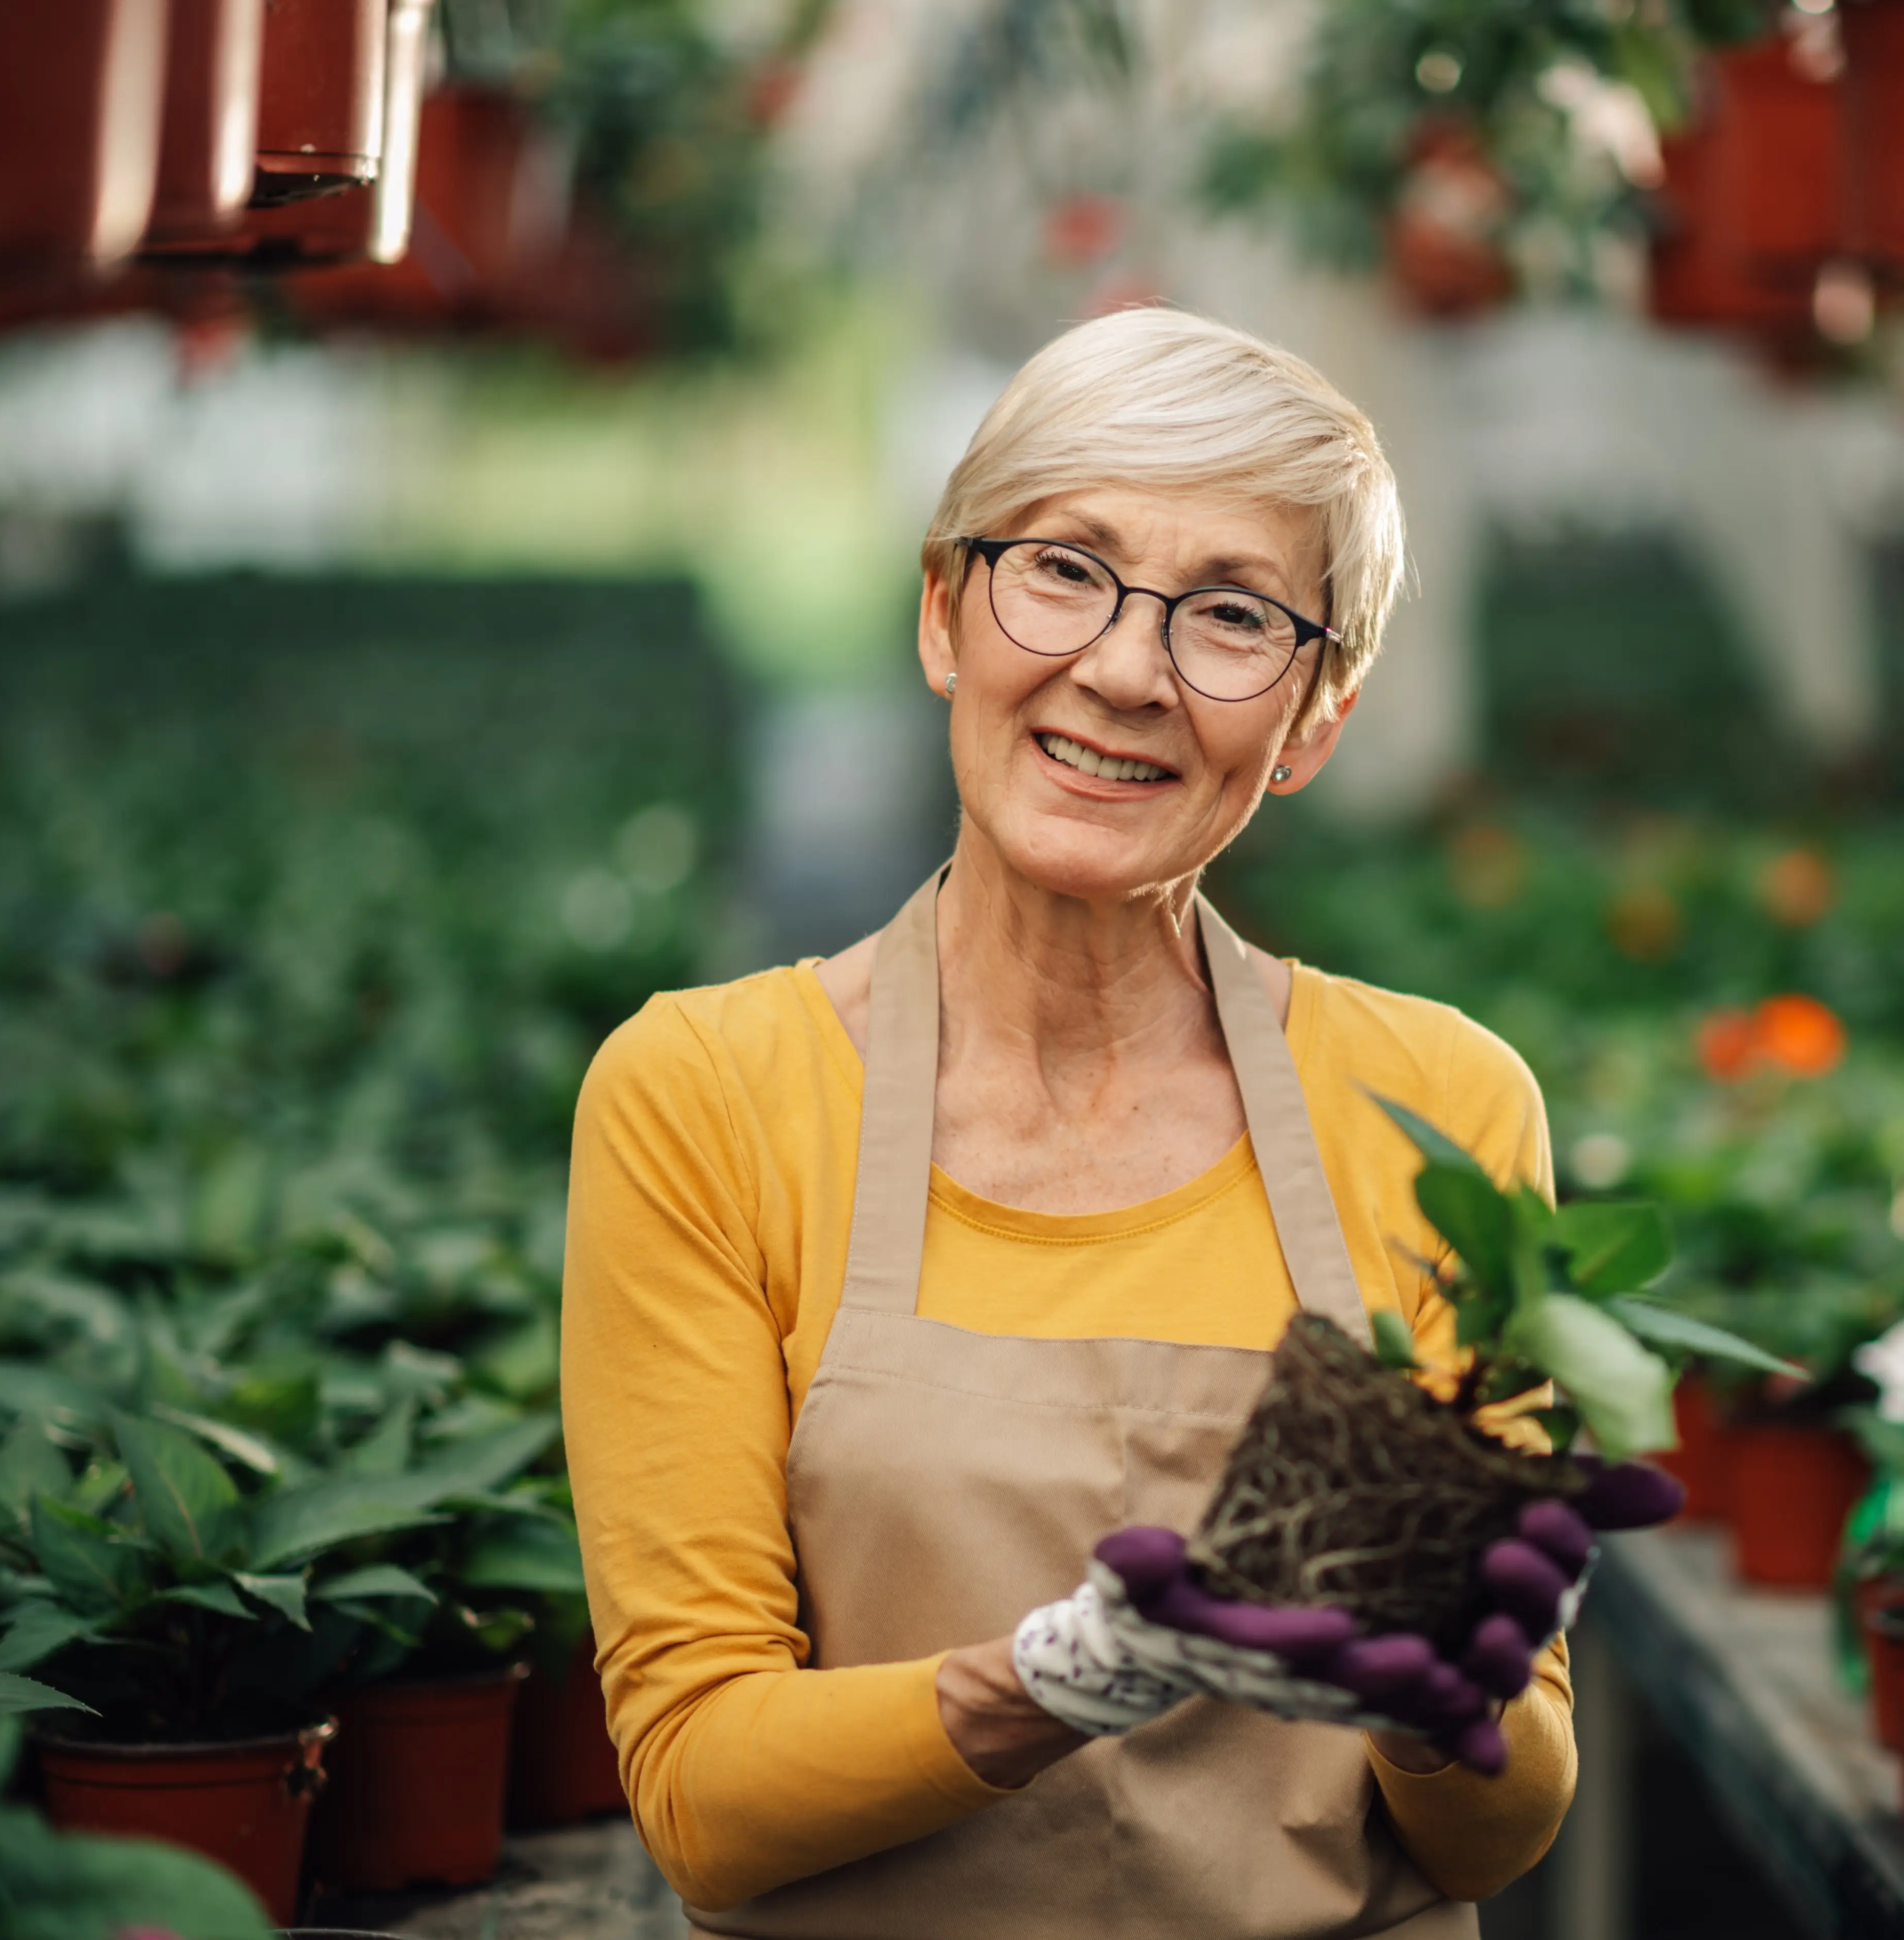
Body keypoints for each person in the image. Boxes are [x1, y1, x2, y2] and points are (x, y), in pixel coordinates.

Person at [562, 306, 1625, 1937]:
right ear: (943, 615)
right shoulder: (707, 1093)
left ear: (1313, 723)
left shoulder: (1443, 1110)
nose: (1124, 669)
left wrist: (1433, 1686)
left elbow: (1496, 1834)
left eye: (1231, 616)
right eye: (1063, 570)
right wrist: (1062, 1680)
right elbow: (701, 1788)